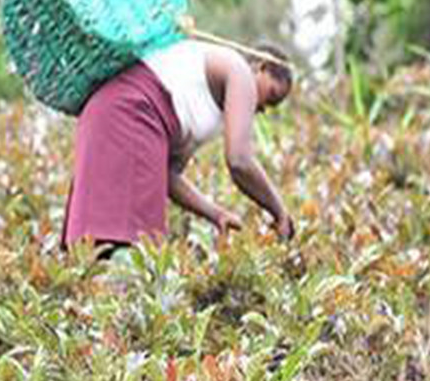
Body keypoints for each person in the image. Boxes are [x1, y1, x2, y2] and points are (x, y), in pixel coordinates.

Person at [62, 37, 294, 254]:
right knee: (131, 251)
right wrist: (279, 211)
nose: (263, 108)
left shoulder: (213, 111)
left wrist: (215, 214)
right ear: (260, 67)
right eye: (271, 95)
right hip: (130, 114)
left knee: (104, 250)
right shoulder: (239, 71)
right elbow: (239, 161)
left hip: (107, 116)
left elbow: (168, 175)